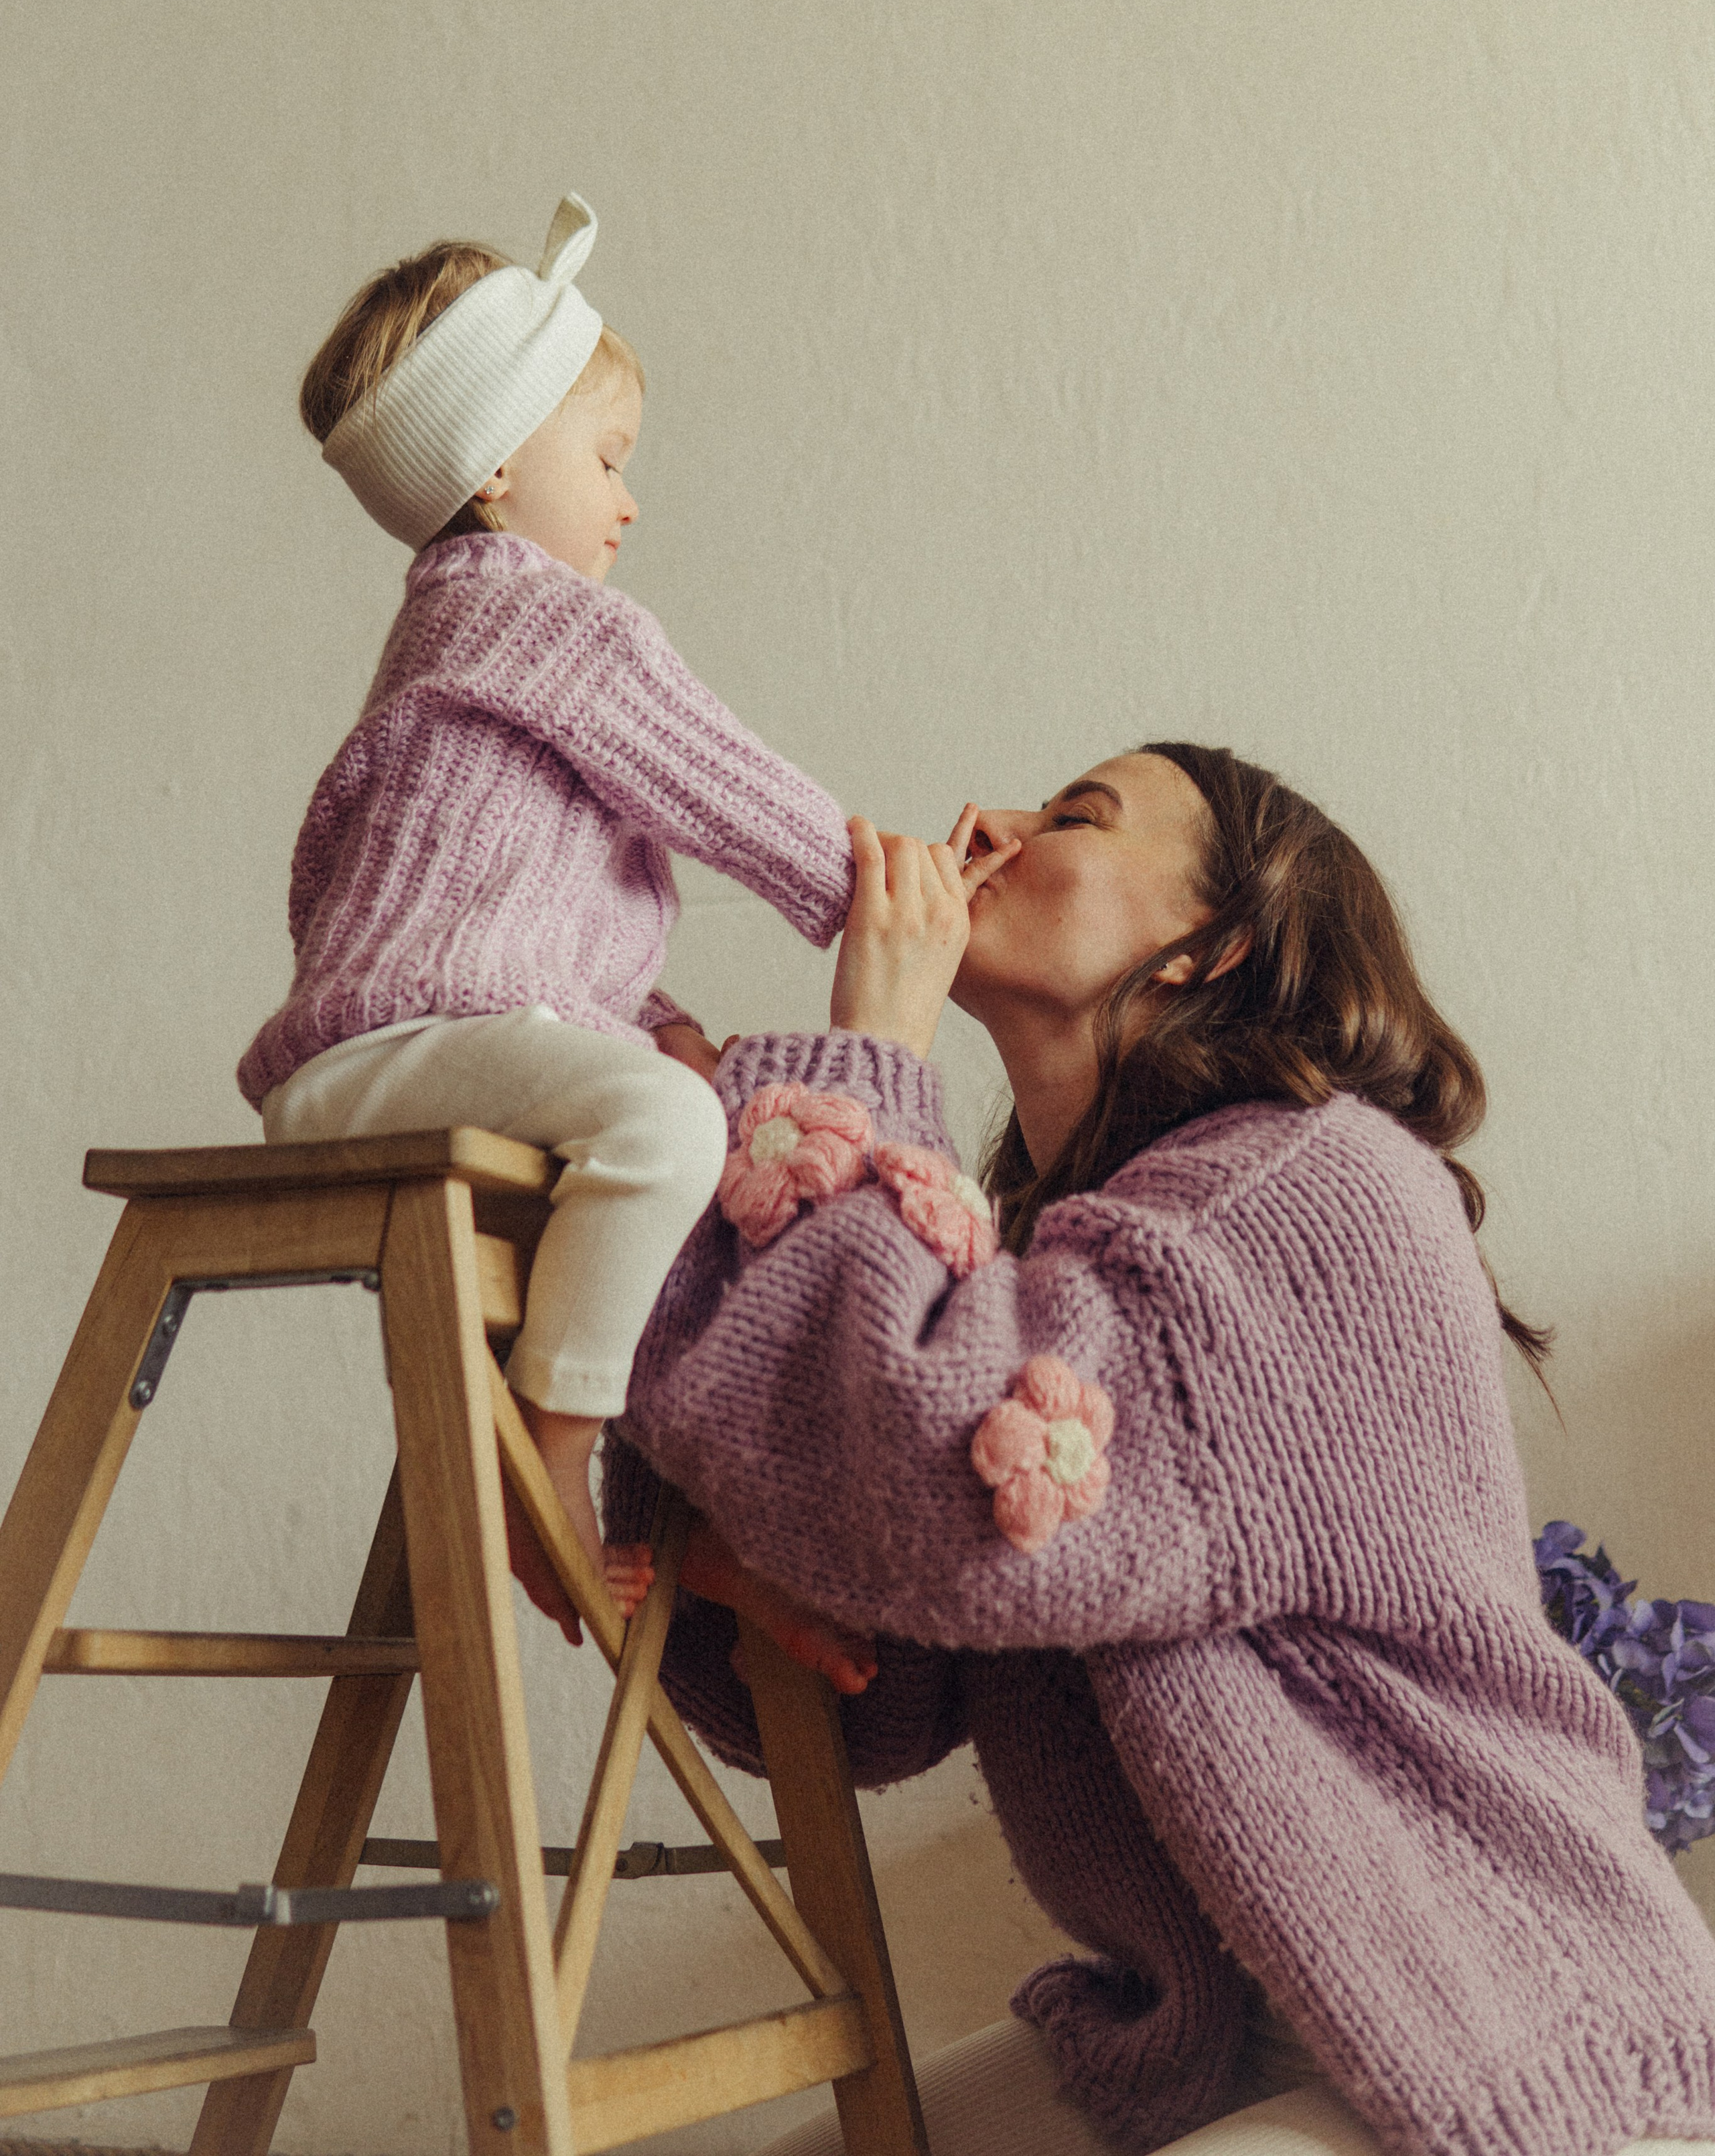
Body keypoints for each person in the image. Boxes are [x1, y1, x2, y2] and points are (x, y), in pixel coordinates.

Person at [608, 744, 1715, 2156]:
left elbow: (944, 1510)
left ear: (1215, 945)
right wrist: (694, 1235)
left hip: (1510, 2027)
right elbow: (866, 1702)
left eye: (1072, 814)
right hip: (1205, 2042)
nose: (980, 824)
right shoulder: (1056, 1277)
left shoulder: (1310, 1187)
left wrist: (865, 1061)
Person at [237, 192, 858, 1630]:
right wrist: (873, 881)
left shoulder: (460, 627)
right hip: (390, 1056)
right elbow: (722, 779)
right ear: (503, 465)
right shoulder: (535, 614)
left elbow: (500, 909)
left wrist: (663, 1019)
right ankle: (555, 1457)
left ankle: (686, 1500)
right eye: (609, 457)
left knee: (687, 1120)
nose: (629, 501)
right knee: (663, 1126)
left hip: (399, 1046)